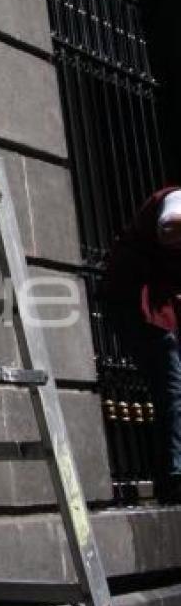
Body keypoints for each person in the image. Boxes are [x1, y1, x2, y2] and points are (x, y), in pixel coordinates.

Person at [103, 187, 181, 505]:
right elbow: (169, 226)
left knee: (171, 383)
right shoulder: (177, 198)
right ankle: (174, 476)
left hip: (157, 307)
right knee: (172, 382)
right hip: (137, 302)